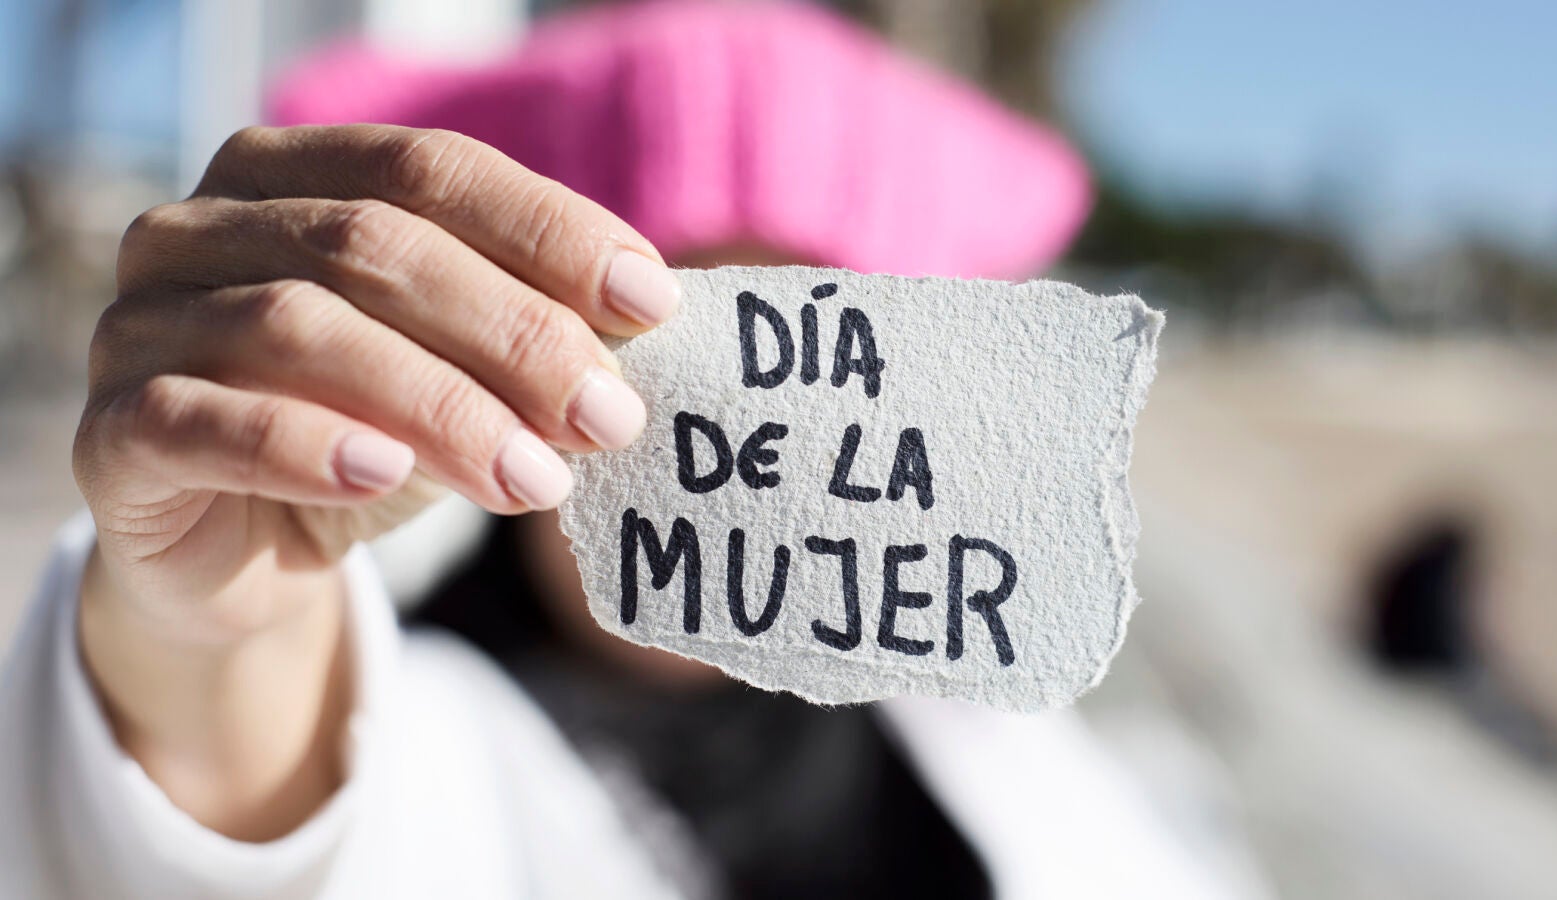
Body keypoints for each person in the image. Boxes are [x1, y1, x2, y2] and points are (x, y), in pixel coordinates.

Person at [0, 2, 1238, 897]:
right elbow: (224, 787)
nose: (757, 445)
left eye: (826, 353)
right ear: (509, 350)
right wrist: (202, 630)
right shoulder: (414, 730)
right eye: (681, 354)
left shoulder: (987, 729)